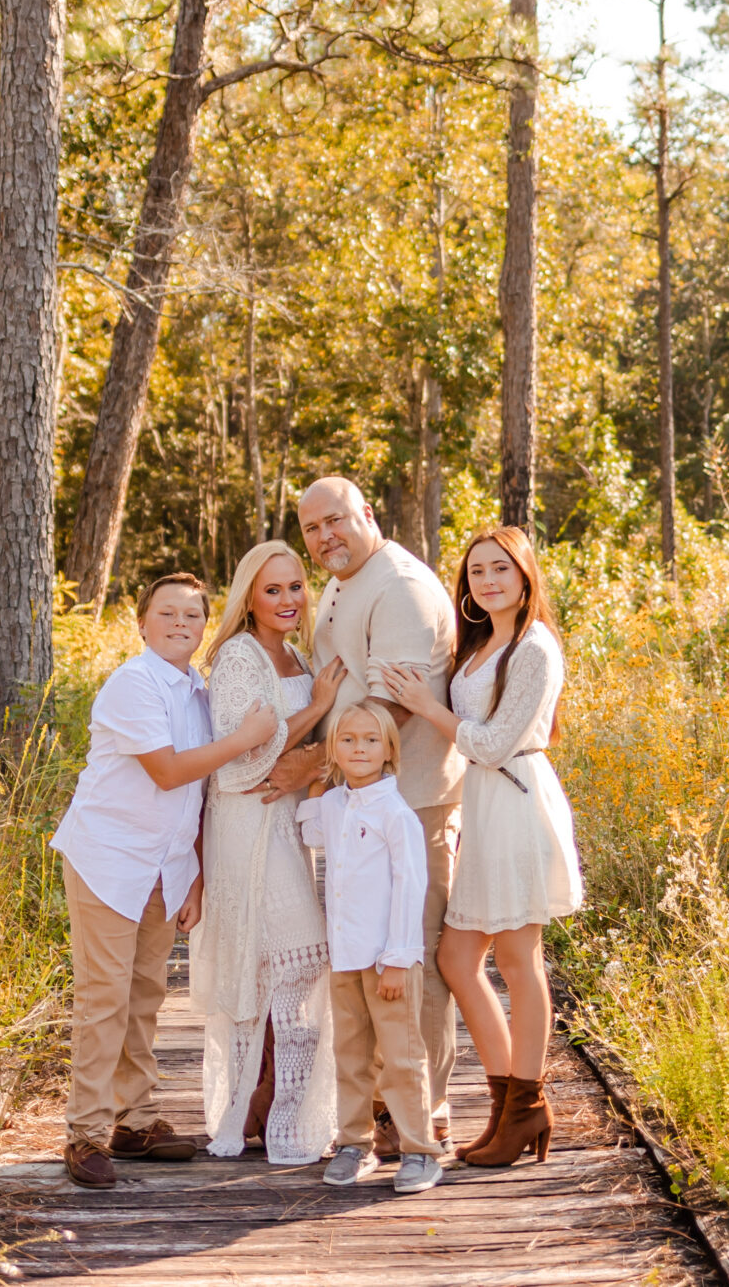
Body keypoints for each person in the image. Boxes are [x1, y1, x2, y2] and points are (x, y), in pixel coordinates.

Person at [49, 572, 278, 1190]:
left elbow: (200, 798)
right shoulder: (133, 684)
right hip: (109, 859)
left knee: (146, 994)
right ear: (143, 623)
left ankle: (135, 1119)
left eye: (193, 616)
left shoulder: (199, 691)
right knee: (105, 998)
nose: (181, 624)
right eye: (168, 613)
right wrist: (244, 740)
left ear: (205, 628)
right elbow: (171, 772)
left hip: (164, 866)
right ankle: (86, 1132)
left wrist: (196, 875)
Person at [263, 477, 461, 1149]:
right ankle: (382, 1104)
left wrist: (312, 766)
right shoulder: (353, 582)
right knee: (369, 957)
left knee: (413, 962)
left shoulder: (399, 586)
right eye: (312, 527)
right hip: (361, 809)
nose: (324, 537)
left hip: (412, 802)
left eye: (336, 520)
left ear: (367, 514)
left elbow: (389, 709)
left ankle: (423, 1115)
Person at [382, 525, 582, 1170]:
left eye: (500, 569)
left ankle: (525, 1104)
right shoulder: (480, 644)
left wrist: (425, 705)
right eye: (476, 573)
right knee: (456, 957)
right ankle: (508, 1102)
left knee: (520, 959)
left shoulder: (534, 647)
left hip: (517, 796)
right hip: (484, 806)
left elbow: (494, 743)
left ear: (525, 576)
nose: (488, 581)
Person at [196, 541, 348, 1163]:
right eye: (273, 590)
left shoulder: (298, 654)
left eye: (295, 587)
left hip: (285, 819)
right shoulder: (238, 656)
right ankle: (252, 1105)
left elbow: (297, 756)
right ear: (249, 599)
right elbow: (236, 762)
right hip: (245, 822)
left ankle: (280, 1110)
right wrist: (315, 708)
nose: (287, 600)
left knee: (293, 961)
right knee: (276, 959)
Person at [298, 701, 442, 1194]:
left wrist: (399, 959)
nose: (359, 748)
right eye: (348, 740)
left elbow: (409, 889)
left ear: (389, 750)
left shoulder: (395, 814)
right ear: (334, 749)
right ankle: (354, 1144)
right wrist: (317, 789)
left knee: (401, 1057)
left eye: (371, 740)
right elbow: (312, 832)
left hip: (388, 959)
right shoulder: (337, 803)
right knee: (350, 1053)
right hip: (346, 954)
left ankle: (421, 1150)